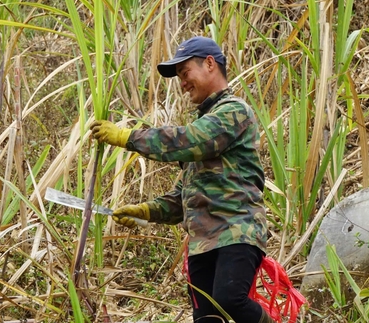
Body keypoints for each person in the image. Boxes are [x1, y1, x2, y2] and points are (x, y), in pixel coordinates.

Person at [90, 36, 273, 323]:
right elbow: (181, 199)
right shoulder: (203, 127)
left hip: (236, 231)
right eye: (179, 77)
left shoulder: (234, 112)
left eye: (185, 73)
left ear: (210, 64)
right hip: (203, 242)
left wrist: (128, 137)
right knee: (205, 318)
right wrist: (146, 212)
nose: (183, 83)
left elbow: (190, 141)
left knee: (230, 300)